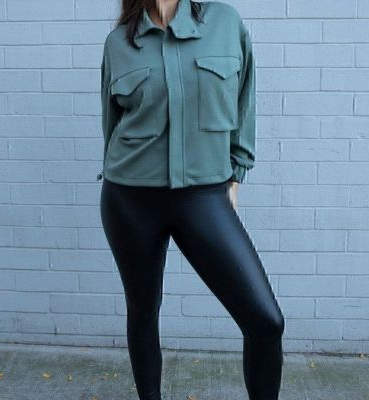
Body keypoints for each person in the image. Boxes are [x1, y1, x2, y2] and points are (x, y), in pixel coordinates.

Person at [98, 1, 285, 399]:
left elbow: (244, 98)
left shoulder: (224, 22)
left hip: (202, 196)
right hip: (129, 198)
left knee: (266, 322)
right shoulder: (118, 43)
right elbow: (110, 124)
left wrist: (236, 173)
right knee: (143, 312)